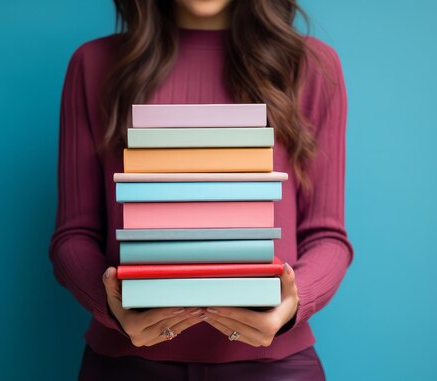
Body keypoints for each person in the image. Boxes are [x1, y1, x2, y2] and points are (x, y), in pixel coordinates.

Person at [48, 0, 354, 379]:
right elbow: (73, 235)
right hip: (125, 363)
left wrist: (293, 302)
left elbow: (327, 235)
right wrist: (111, 305)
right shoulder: (95, 64)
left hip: (274, 367)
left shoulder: (310, 66)